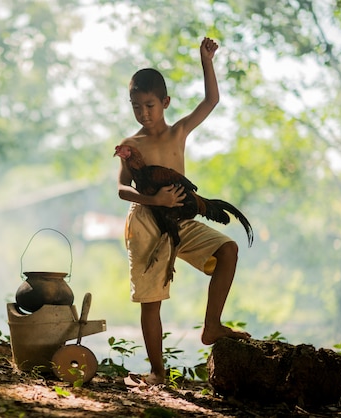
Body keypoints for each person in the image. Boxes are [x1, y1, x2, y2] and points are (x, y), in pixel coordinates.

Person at [116, 37, 251, 386]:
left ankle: (212, 325)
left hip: (181, 218)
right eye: (136, 106)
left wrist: (206, 60)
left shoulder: (178, 132)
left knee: (228, 249)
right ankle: (157, 373)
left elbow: (211, 101)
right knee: (152, 300)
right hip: (146, 221)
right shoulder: (132, 145)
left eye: (149, 105)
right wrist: (154, 201)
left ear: (165, 102)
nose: (143, 113)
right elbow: (121, 189)